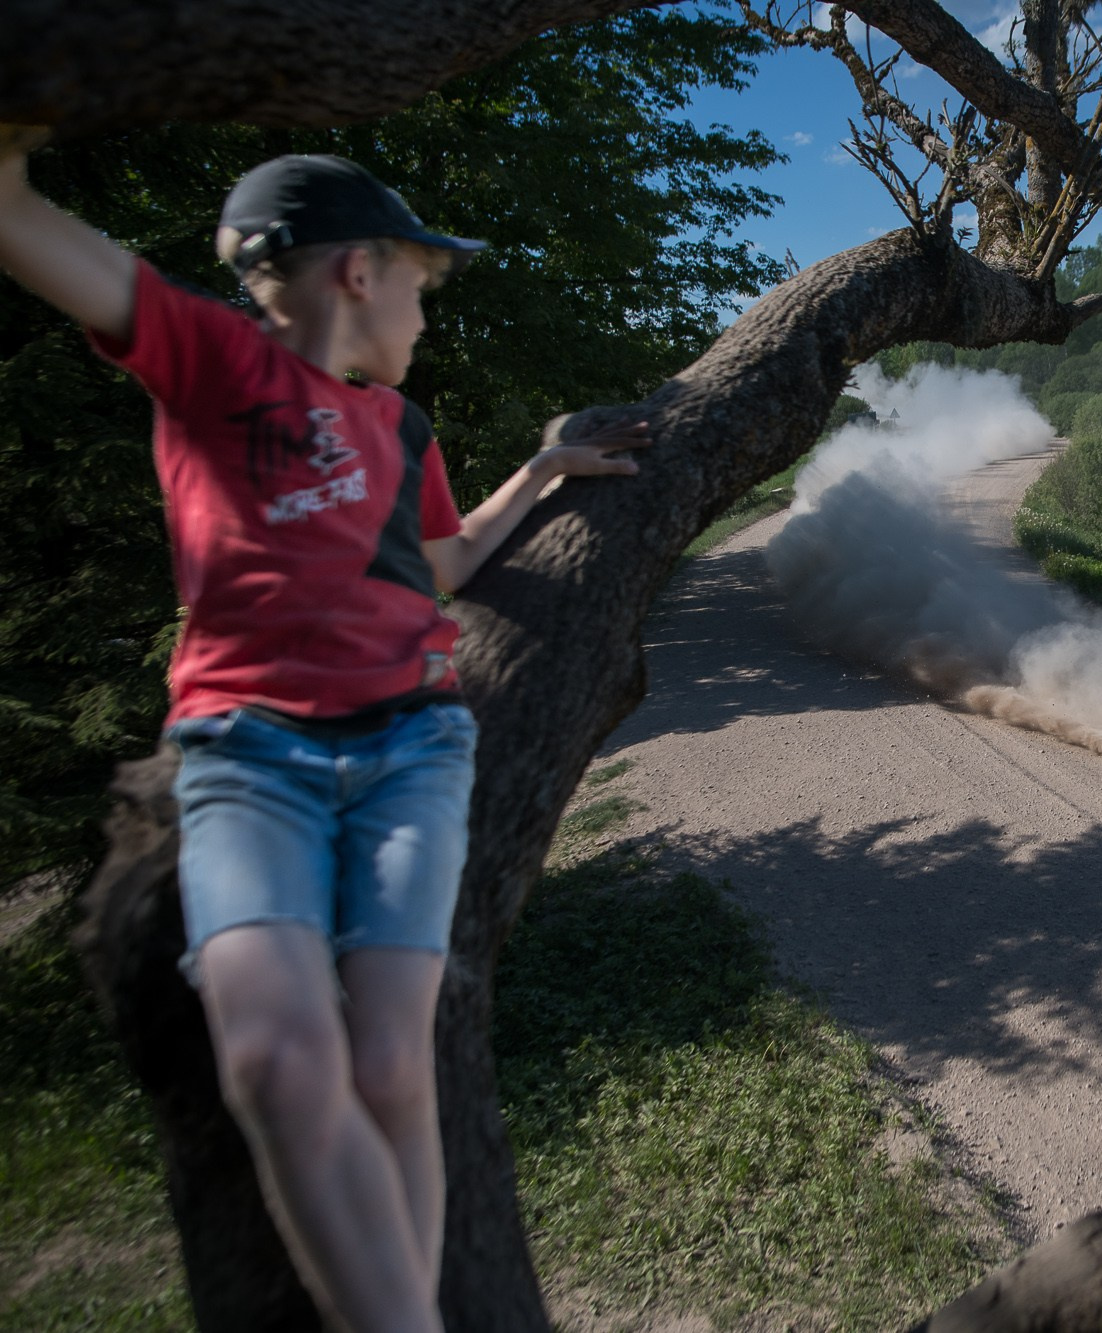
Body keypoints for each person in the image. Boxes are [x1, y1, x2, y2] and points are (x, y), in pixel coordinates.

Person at [0, 135, 650, 1333]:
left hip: (411, 749)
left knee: (395, 1067)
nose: (424, 309)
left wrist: (545, 470)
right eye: (420, 281)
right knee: (277, 1063)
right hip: (252, 758)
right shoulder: (212, 358)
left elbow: (447, 562)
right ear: (360, 270)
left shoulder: (402, 427)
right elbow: (27, 226)